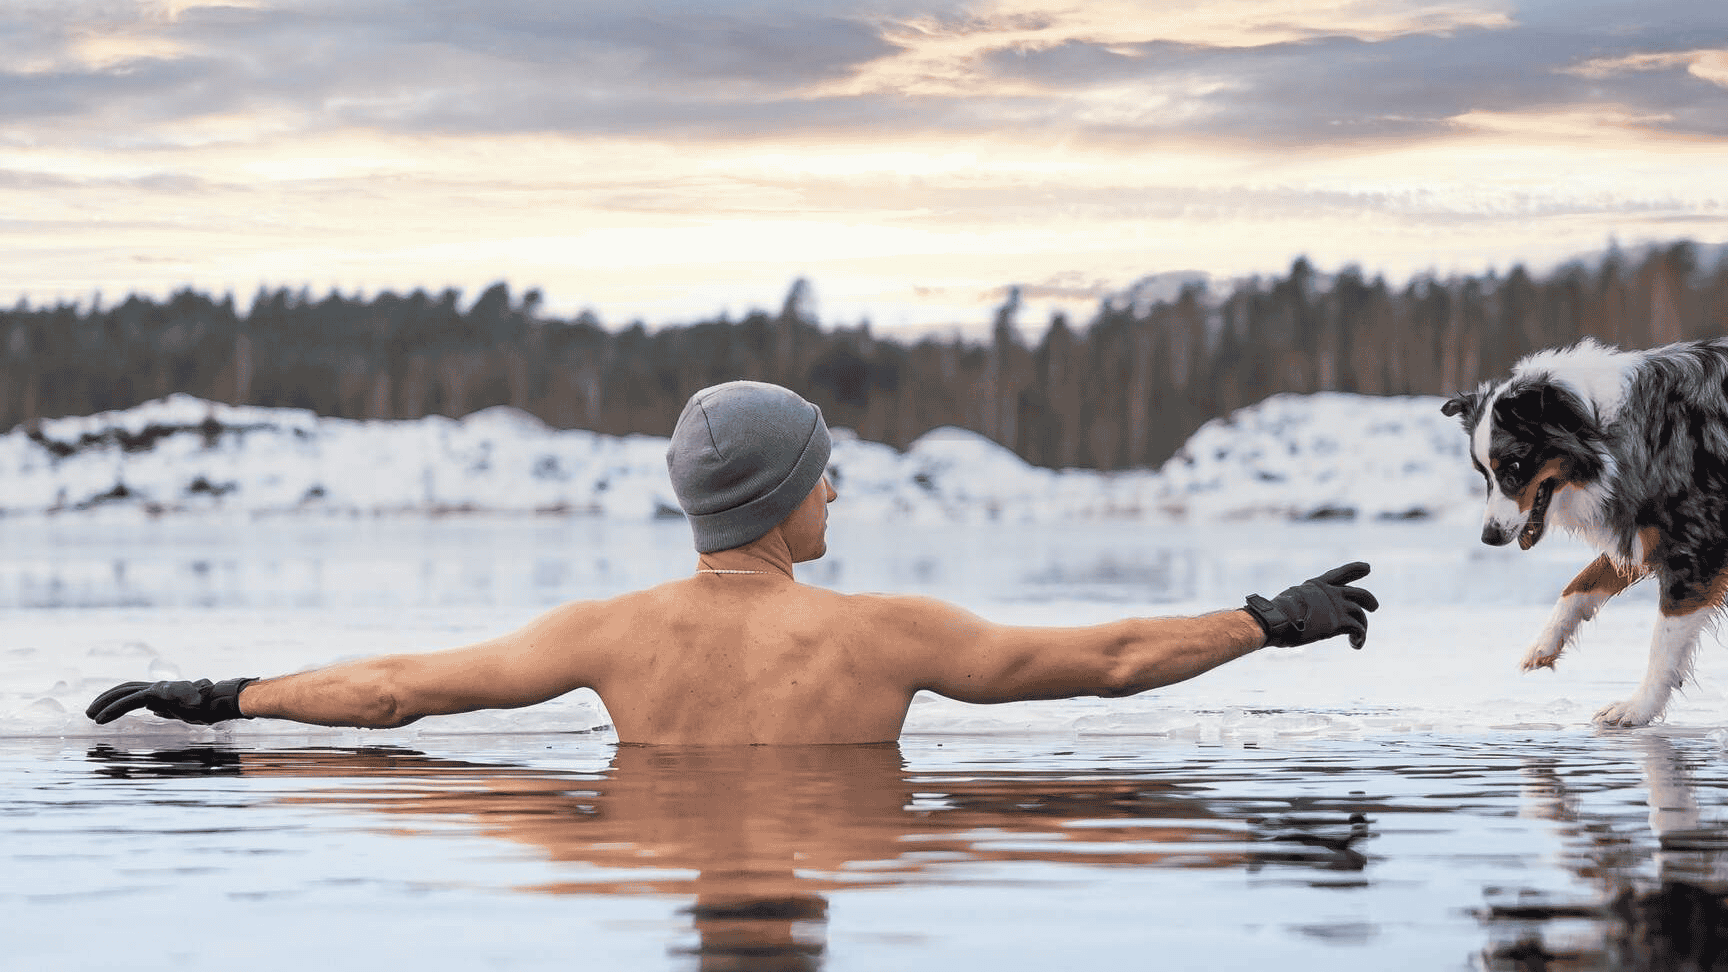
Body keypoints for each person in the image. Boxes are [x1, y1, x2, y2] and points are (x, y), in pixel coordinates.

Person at [87, 380, 1379, 745]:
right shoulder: (886, 635)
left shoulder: (607, 634)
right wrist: (1266, 618)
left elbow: (396, 691)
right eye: (824, 469)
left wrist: (220, 700)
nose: (838, 485)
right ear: (775, 495)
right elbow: (1099, 663)